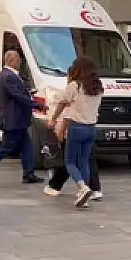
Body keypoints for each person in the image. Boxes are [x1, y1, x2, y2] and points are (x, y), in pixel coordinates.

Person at [0, 50, 45, 187]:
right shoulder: (8, 76)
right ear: (11, 61)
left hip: (18, 120)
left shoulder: (10, 76)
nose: (20, 62)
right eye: (18, 59)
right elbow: (17, 96)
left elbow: (18, 94)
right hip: (13, 119)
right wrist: (36, 104)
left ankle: (28, 173)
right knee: (5, 147)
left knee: (27, 146)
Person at [48, 56, 103, 208]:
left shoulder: (75, 86)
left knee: (70, 162)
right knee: (84, 161)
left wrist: (53, 119)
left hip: (76, 127)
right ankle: (84, 193)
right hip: (91, 128)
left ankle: (82, 187)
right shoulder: (98, 87)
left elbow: (62, 103)